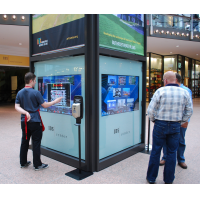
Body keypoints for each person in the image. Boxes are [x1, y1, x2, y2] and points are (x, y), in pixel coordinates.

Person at [146, 71, 193, 184]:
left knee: (156, 151)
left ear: (165, 80)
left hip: (160, 125)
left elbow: (150, 110)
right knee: (172, 152)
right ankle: (168, 179)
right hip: (175, 125)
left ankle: (151, 178)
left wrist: (154, 120)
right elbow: (189, 111)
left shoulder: (160, 91)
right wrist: (180, 122)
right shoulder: (185, 92)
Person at [15, 72, 62, 171]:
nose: (35, 83)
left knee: (24, 141)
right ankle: (37, 165)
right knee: (36, 142)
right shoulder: (36, 93)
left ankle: (23, 162)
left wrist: (26, 113)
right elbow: (44, 105)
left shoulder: (19, 92)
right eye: (35, 81)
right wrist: (55, 101)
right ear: (31, 81)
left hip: (24, 121)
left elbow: (16, 107)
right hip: (35, 121)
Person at [160, 73, 193, 169]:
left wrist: (185, 121)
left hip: (180, 122)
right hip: (167, 121)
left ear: (175, 80)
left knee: (181, 140)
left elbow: (189, 109)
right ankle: (165, 157)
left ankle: (181, 159)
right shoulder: (166, 90)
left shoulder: (186, 91)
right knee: (166, 140)